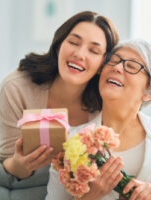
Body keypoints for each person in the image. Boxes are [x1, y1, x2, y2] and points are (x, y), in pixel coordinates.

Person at [0, 11, 119, 180]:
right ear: (58, 46)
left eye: (94, 50)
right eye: (73, 42)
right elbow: (8, 163)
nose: (79, 54)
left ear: (103, 64)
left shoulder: (104, 102)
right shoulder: (17, 86)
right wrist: (21, 165)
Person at [46, 38, 151, 200]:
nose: (116, 67)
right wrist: (89, 197)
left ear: (148, 92)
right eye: (112, 61)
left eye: (131, 66)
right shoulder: (70, 141)